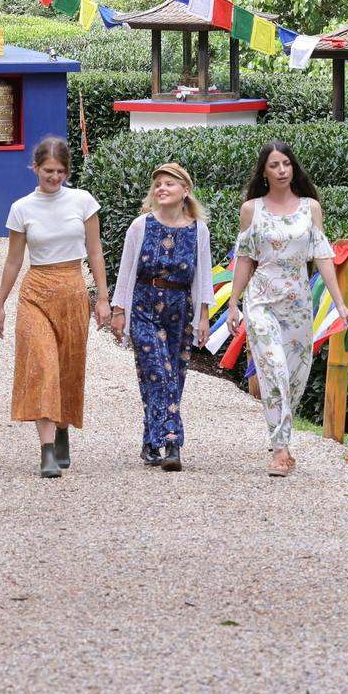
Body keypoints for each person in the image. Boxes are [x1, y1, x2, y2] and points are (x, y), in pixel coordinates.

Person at [230, 141, 348, 477]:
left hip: (298, 303)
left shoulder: (310, 207)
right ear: (264, 172)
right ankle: (281, 449)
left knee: (296, 377)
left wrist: (340, 304)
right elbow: (244, 258)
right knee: (274, 369)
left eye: (286, 164)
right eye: (274, 165)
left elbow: (322, 255)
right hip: (261, 302)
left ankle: (279, 434)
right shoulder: (251, 209)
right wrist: (233, 303)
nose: (282, 170)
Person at [0, 136, 107, 478]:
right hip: (36, 291)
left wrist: (102, 298)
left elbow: (96, 251)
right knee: (42, 365)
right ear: (35, 168)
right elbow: (14, 260)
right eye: (48, 171)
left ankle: (62, 431)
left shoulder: (83, 202)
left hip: (73, 289)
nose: (54, 177)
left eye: (59, 171)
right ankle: (46, 451)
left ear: (67, 171)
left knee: (67, 367)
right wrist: (0, 304)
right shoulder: (22, 208)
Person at [108, 163, 213, 471]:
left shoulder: (198, 230)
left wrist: (203, 318)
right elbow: (126, 271)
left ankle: (151, 441)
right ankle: (171, 442)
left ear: (185, 190)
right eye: (158, 185)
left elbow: (203, 275)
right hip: (143, 305)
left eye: (169, 184)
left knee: (173, 376)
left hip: (180, 309)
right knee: (158, 370)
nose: (162, 189)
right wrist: (119, 311)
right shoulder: (141, 226)